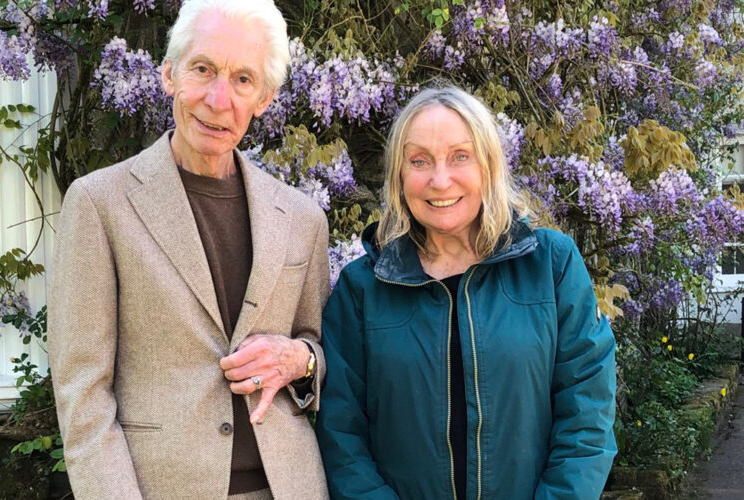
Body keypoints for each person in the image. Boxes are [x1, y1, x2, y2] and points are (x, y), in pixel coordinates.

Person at [48, 1, 330, 499]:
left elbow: (317, 347)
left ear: (263, 98)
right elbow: (83, 396)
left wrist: (300, 360)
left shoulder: (303, 218)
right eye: (203, 69)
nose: (219, 99)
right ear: (169, 75)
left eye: (243, 79)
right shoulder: (99, 203)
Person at [315, 86, 617, 500]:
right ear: (399, 178)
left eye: (460, 157)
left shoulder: (552, 266)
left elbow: (586, 420)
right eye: (419, 161)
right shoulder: (363, 287)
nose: (440, 181)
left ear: (489, 166)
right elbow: (342, 433)